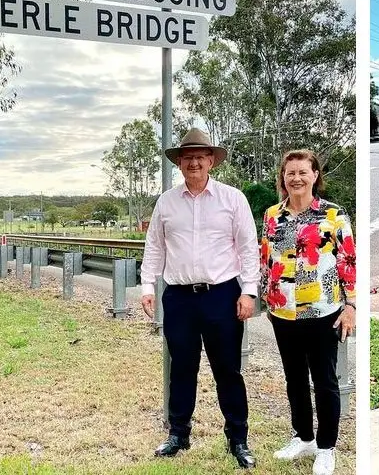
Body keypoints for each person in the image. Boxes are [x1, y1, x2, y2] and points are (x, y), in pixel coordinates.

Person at [140, 128, 259, 469]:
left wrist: (249, 291)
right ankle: (178, 433)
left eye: (200, 157)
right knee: (181, 367)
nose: (194, 163)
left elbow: (248, 247)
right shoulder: (166, 202)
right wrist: (147, 286)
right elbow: (155, 246)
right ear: (179, 163)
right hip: (179, 297)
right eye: (187, 157)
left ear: (211, 161)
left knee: (228, 370)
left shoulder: (232, 199)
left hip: (222, 294)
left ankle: (238, 439)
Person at [261, 150, 356, 475]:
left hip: (323, 312)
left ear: (315, 175)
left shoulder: (333, 215)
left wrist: (351, 306)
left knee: (325, 381)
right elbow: (266, 259)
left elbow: (348, 261)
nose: (296, 178)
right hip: (283, 312)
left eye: (303, 172)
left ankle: (326, 447)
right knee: (294, 379)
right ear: (283, 178)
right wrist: (267, 298)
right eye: (290, 173)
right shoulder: (272, 215)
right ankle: (303, 437)